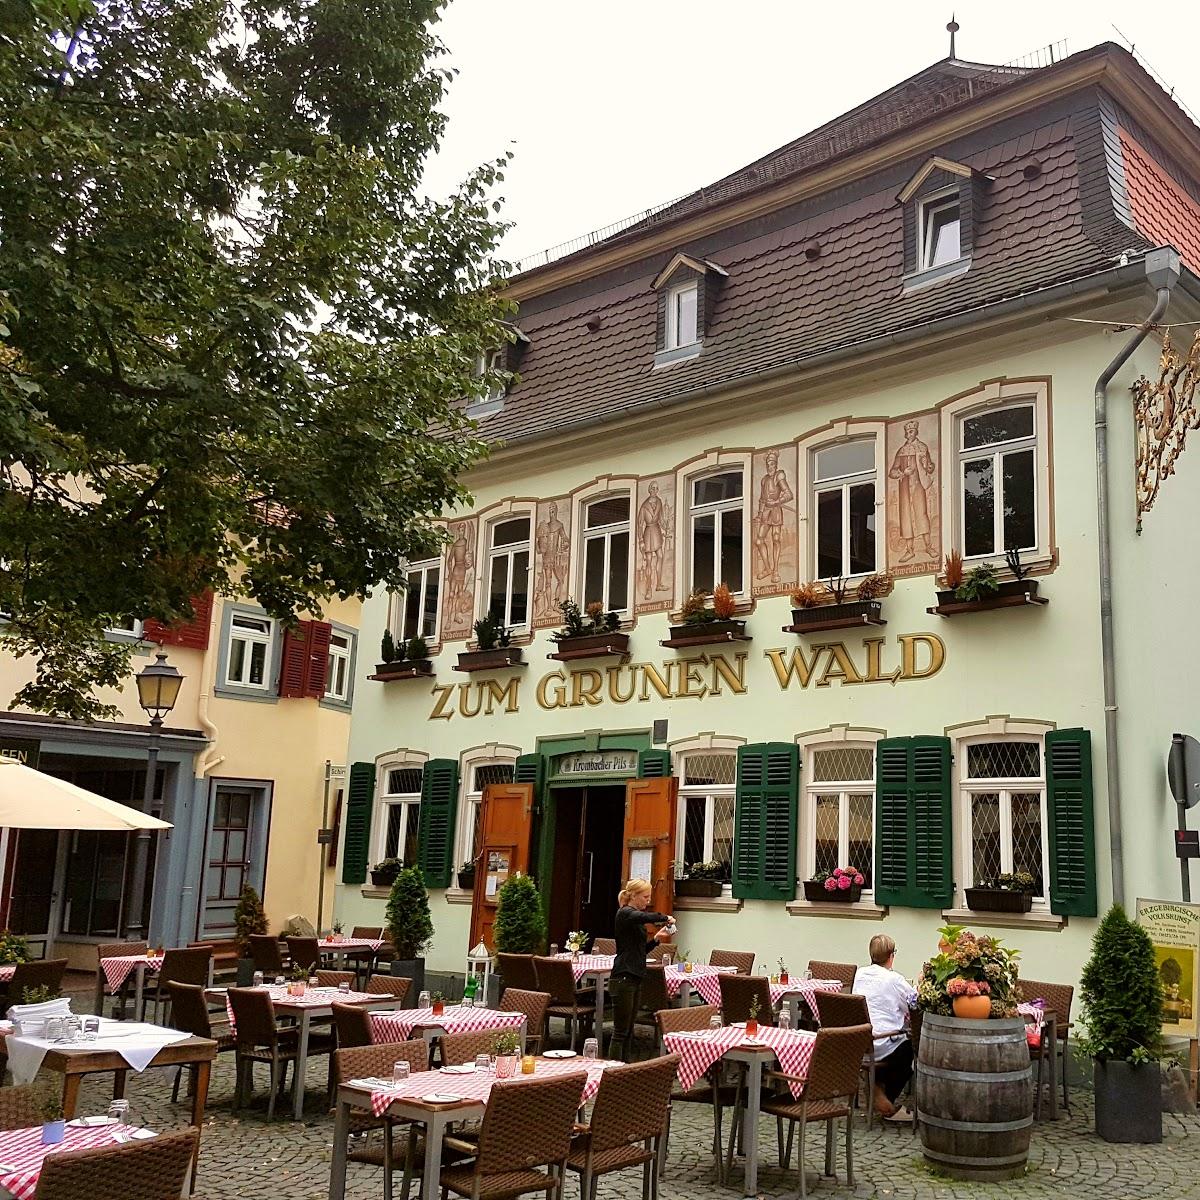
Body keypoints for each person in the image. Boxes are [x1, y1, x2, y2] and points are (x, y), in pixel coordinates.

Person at [852, 933, 917, 1119]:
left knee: (898, 1042)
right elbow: (914, 1003)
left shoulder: (860, 974)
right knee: (909, 1050)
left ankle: (876, 1085)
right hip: (881, 1043)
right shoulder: (894, 979)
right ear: (891, 955)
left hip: (859, 1042)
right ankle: (884, 1095)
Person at [607, 878, 673, 1061]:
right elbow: (644, 917)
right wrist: (664, 918)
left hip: (635, 976)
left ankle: (625, 1067)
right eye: (645, 897)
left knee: (628, 1030)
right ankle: (613, 1070)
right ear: (633, 896)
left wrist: (657, 939)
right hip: (622, 978)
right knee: (620, 1032)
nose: (648, 901)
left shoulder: (633, 918)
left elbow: (640, 951)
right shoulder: (625, 913)